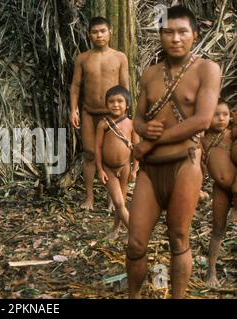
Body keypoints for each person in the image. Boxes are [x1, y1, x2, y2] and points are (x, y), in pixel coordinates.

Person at [126, 5, 221, 298]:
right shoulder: (150, 74)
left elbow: (202, 120)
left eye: (182, 32)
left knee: (178, 238)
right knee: (135, 244)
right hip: (150, 171)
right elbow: (138, 118)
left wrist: (154, 140)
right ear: (160, 35)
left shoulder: (207, 69)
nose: (175, 38)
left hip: (185, 165)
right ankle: (133, 295)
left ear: (194, 35)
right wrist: (143, 130)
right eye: (168, 32)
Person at [69, 16, 129, 211]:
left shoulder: (120, 57)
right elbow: (76, 86)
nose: (99, 35)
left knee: (112, 157)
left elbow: (125, 87)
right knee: (89, 154)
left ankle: (113, 197)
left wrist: (125, 115)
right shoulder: (83, 58)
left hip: (113, 115)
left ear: (110, 32)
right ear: (89, 35)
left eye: (102, 31)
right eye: (95, 32)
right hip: (89, 112)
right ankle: (89, 197)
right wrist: (73, 109)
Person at [95, 86, 139, 240]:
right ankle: (136, 235)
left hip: (125, 168)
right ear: (107, 104)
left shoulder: (131, 124)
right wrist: (100, 170)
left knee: (122, 204)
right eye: (111, 101)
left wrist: (134, 170)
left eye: (120, 101)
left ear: (127, 104)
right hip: (109, 169)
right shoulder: (103, 124)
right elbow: (98, 148)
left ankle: (115, 230)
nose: (115, 104)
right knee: (119, 204)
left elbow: (136, 148)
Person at [201, 100, 234, 288]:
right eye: (216, 114)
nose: (221, 118)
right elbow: (199, 166)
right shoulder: (203, 139)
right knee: (218, 229)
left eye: (225, 114)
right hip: (220, 189)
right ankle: (211, 269)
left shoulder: (232, 135)